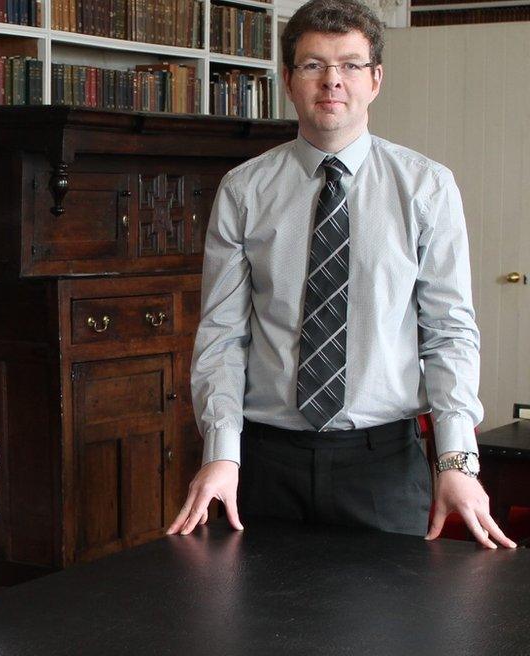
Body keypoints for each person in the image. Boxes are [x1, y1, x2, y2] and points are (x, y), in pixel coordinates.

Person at [169, 0, 514, 550]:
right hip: (264, 465)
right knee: (254, 633)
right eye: (313, 65)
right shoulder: (243, 190)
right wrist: (220, 454)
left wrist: (457, 462)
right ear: (288, 79)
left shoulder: (426, 188)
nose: (332, 81)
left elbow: (449, 332)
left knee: (386, 636)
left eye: (350, 65)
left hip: (381, 466)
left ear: (375, 79)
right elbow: (221, 336)